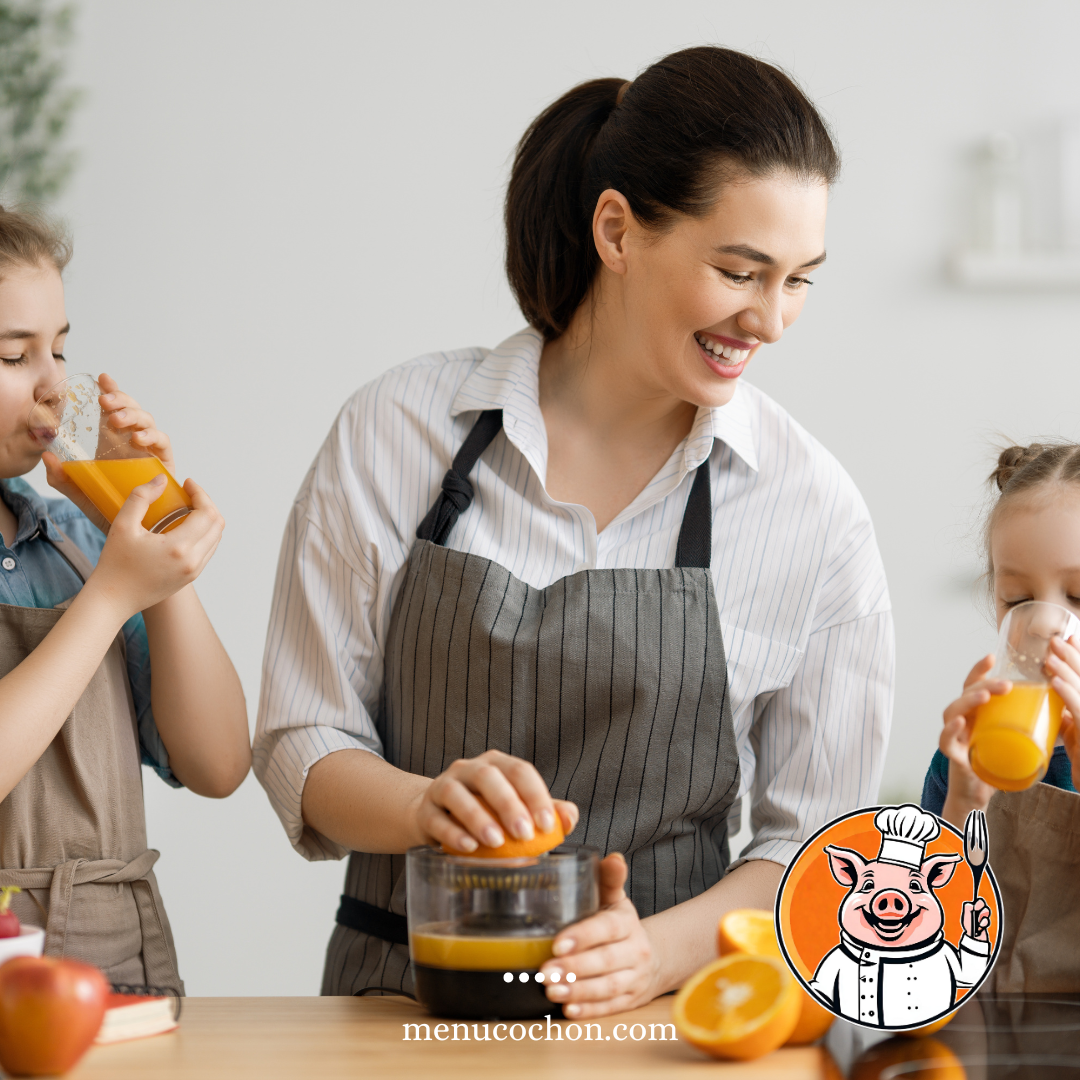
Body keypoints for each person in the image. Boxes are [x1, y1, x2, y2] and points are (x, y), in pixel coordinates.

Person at [255, 45, 893, 1017]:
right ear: (617, 230)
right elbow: (304, 736)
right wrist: (425, 805)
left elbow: (814, 851)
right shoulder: (400, 431)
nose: (769, 318)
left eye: (800, 279)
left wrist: (654, 951)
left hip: (671, 1026)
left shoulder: (811, 510)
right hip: (399, 1012)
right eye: (739, 270)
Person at [0, 206, 249, 993]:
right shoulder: (98, 578)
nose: (54, 384)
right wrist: (110, 595)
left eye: (61, 349)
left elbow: (216, 762)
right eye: (13, 355)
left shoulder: (75, 541)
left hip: (117, 982)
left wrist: (137, 519)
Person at [921, 442, 1080, 993]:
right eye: (1018, 599)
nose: (1045, 624)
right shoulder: (965, 755)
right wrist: (964, 800)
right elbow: (920, 938)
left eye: (1077, 595)